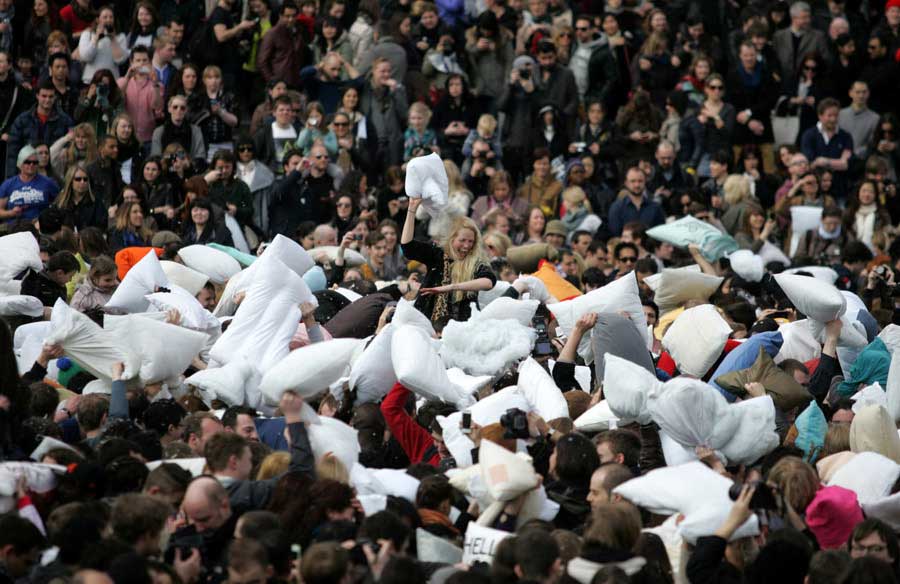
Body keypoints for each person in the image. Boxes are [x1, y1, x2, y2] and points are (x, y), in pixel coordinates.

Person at [401, 197, 495, 323]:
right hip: (427, 321)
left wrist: (452, 287)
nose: (466, 246)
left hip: (461, 326)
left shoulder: (475, 262)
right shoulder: (437, 254)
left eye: (470, 241)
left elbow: (488, 282)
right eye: (462, 241)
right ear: (452, 239)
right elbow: (407, 247)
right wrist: (411, 210)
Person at [6, 81, 72, 178]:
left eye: (51, 96)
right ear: (37, 96)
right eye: (44, 96)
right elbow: (12, 153)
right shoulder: (22, 120)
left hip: (54, 175)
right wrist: (12, 179)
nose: (47, 100)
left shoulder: (65, 121)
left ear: (55, 97)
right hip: (26, 174)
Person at [0, 144, 60, 224]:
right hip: (14, 227)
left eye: (35, 162)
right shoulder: (8, 184)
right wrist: (12, 213)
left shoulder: (48, 183)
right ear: (20, 164)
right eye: (27, 162)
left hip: (39, 227)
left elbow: (60, 203)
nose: (31, 165)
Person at [607, 166, 665, 236]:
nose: (637, 185)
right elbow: (615, 235)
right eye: (633, 181)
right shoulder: (617, 208)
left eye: (640, 181)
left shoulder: (655, 208)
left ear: (645, 182)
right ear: (626, 183)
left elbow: (660, 234)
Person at [54, 163, 105, 231]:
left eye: (85, 179)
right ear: (70, 181)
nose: (82, 182)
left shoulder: (96, 202)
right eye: (78, 179)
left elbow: (101, 226)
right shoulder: (60, 202)